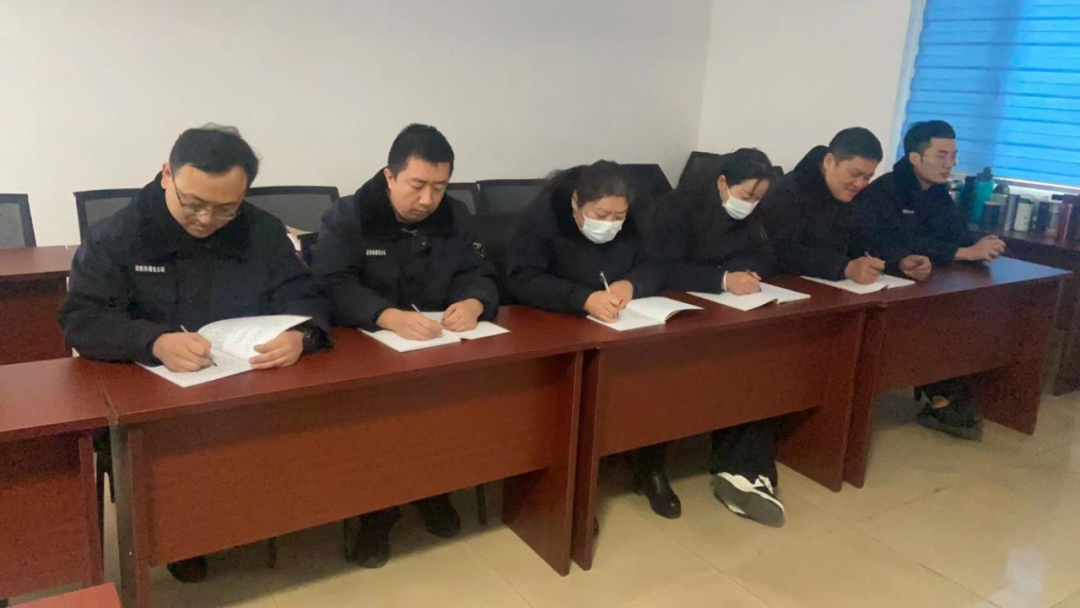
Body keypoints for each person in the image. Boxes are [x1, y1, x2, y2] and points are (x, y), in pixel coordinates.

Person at [57, 124, 331, 583]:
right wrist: (153, 342)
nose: (206, 219)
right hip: (155, 395)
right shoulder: (119, 235)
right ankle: (183, 537)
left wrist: (301, 334)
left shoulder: (261, 230)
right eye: (193, 203)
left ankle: (258, 516)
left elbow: (304, 293)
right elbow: (82, 319)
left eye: (225, 208)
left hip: (245, 384)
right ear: (167, 174)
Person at [314, 123, 499, 568]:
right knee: (378, 425)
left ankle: (433, 491)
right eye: (417, 185)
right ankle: (377, 513)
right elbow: (330, 283)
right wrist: (386, 316)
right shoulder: (350, 216)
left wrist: (474, 301)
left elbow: (479, 271)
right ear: (390, 176)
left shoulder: (456, 216)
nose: (428, 199)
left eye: (440, 186)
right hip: (368, 350)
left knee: (449, 414)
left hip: (438, 346)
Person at [504, 160, 680, 520]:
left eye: (619, 216)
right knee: (573, 397)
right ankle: (573, 491)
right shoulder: (542, 217)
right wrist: (582, 299)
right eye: (601, 215)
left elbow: (658, 262)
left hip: (620, 324)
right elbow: (521, 278)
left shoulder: (636, 216)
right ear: (576, 201)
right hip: (556, 323)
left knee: (654, 377)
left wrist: (632, 283)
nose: (611, 224)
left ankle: (651, 467)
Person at [648, 148, 785, 526]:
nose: (751, 204)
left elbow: (767, 256)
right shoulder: (676, 208)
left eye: (759, 198)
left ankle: (745, 470)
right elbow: (661, 268)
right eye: (746, 195)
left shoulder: (750, 214)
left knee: (757, 364)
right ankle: (652, 465)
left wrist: (742, 273)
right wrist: (722, 278)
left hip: (728, 315)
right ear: (722, 182)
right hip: (675, 315)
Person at [855, 120, 1005, 440]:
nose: (950, 164)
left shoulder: (938, 192)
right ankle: (942, 393)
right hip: (887, 281)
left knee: (972, 312)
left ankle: (950, 392)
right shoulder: (884, 191)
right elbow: (893, 242)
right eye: (941, 155)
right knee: (933, 320)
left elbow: (955, 233)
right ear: (915, 158)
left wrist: (980, 246)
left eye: (954, 156)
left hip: (930, 279)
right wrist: (964, 252)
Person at [758, 126, 933, 285]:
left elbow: (868, 238)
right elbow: (782, 252)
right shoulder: (787, 193)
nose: (859, 184)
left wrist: (898, 261)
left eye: (867, 177)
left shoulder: (858, 194)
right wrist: (844, 267)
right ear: (829, 162)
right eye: (854, 174)